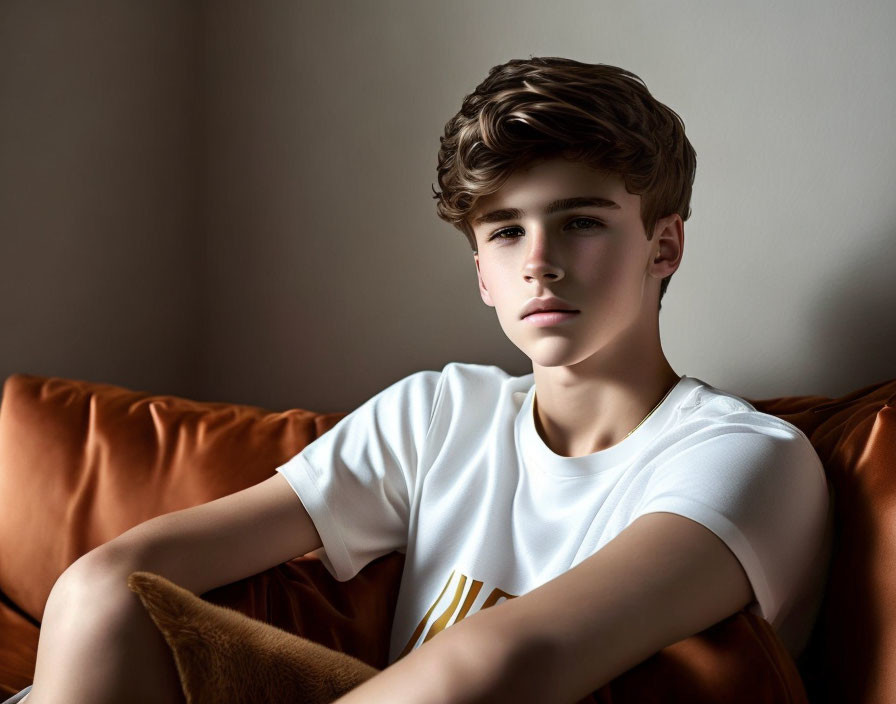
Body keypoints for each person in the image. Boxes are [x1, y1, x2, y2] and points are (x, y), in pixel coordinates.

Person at [10, 56, 832, 704]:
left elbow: (510, 663)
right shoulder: (443, 412)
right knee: (107, 598)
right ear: (482, 273)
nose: (538, 263)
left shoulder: (746, 457)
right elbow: (113, 581)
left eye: (580, 222)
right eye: (507, 232)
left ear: (664, 248)